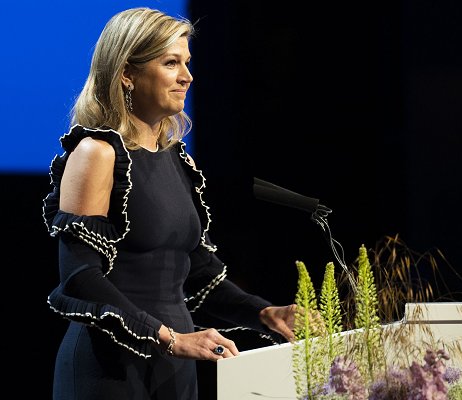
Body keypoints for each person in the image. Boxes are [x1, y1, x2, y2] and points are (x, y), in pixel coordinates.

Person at [42, 7, 296, 400]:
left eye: (187, 63)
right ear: (127, 72)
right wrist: (170, 338)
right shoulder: (97, 154)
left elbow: (197, 274)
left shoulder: (177, 159)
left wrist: (264, 313)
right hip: (111, 369)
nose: (187, 77)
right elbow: (79, 278)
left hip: (174, 367)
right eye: (171, 63)